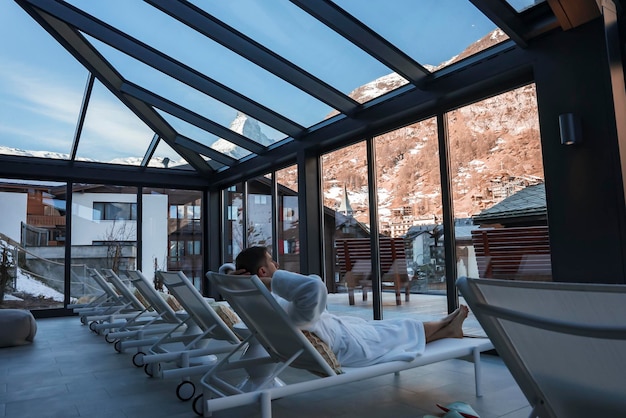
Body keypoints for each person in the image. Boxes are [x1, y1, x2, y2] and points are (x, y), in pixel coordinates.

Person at [232, 246, 469, 368]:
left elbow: (309, 287)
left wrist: (238, 278)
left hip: (342, 334)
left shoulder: (259, 302)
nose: (277, 263)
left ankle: (448, 328)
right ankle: (446, 323)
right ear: (263, 272)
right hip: (350, 347)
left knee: (390, 327)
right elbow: (314, 289)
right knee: (400, 328)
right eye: (272, 261)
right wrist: (268, 282)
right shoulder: (283, 307)